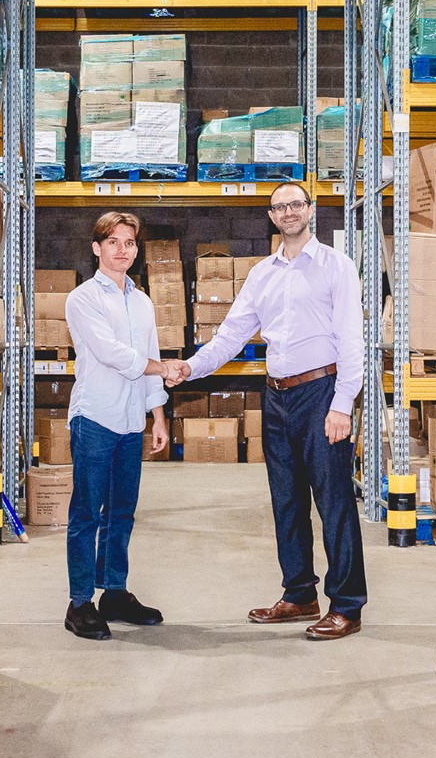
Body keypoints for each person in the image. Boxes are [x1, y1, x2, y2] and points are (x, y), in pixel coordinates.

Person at [164, 182, 367, 641]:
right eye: (280, 207)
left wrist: (342, 405)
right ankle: (299, 594)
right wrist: (190, 368)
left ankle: (348, 605)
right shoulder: (261, 275)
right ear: (272, 217)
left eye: (297, 203)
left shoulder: (337, 267)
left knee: (333, 501)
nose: (289, 212)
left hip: (322, 392)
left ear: (310, 210)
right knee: (287, 501)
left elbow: (351, 340)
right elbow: (231, 335)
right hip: (276, 397)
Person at [61, 211, 172, 641]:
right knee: (87, 513)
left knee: (122, 511)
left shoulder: (142, 302)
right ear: (96, 247)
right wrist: (163, 367)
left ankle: (115, 593)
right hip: (95, 417)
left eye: (129, 243)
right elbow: (113, 354)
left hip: (130, 421)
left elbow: (149, 356)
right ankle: (79, 603)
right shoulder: (83, 299)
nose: (122, 250)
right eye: (113, 242)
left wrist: (157, 415)